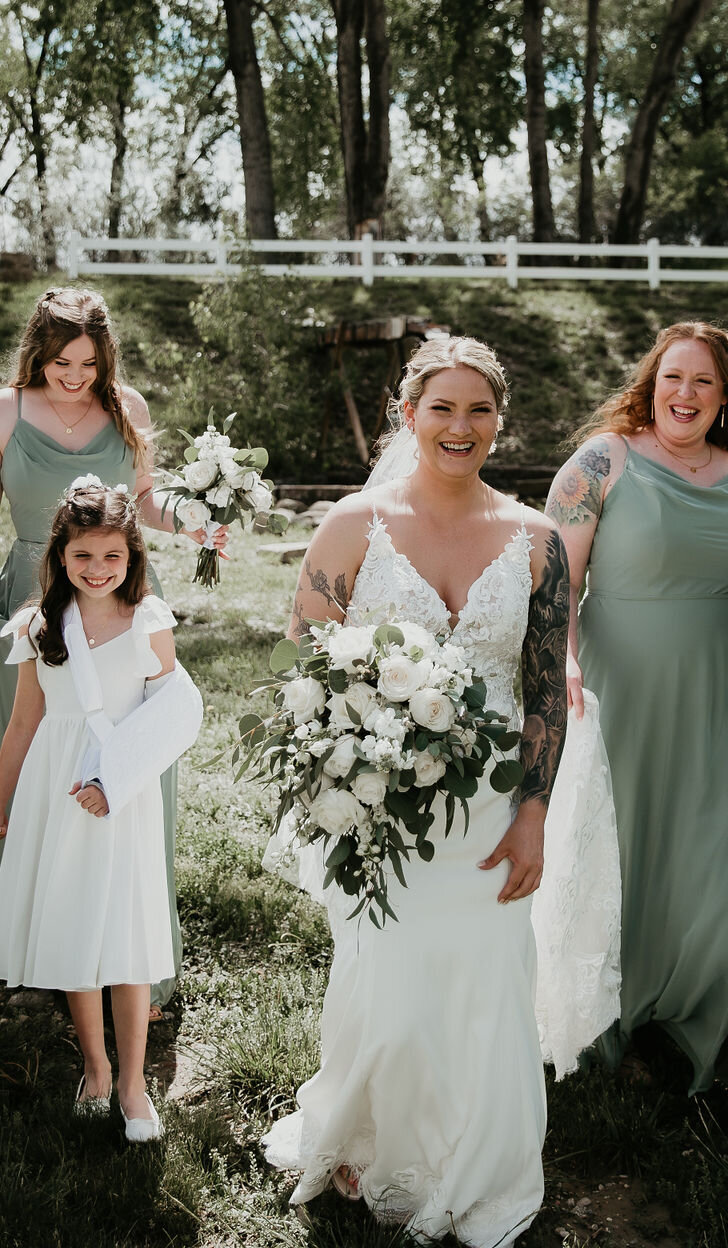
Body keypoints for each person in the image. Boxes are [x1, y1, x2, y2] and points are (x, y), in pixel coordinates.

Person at [262, 336, 570, 1245]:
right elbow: (301, 676)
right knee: (389, 986)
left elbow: (547, 688)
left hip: (490, 810)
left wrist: (534, 814)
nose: (460, 426)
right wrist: (342, 785)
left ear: (499, 423)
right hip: (379, 811)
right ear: (409, 416)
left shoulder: (539, 542)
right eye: (443, 408)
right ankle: (372, 1136)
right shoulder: (352, 527)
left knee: (482, 985)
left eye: (479, 410)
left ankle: (473, 1160)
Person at [545, 321, 728, 1144]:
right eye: (674, 377)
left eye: (704, 383)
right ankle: (606, 1022)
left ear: (725, 396)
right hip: (617, 688)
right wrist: (563, 664)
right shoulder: (605, 459)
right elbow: (556, 576)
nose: (686, 394)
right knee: (618, 857)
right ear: (651, 381)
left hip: (723, 696)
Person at [0, 286, 222, 1013]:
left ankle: (131, 955)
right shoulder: (7, 411)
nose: (73, 376)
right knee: (36, 765)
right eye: (61, 361)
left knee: (130, 765)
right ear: (37, 351)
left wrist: (188, 519)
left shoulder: (128, 409)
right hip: (36, 600)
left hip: (123, 604)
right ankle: (39, 959)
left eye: (87, 364)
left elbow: (145, 499)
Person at [0, 480, 202, 1139]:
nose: (97, 570)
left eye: (110, 557)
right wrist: (2, 804)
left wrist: (114, 780)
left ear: (131, 556)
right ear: (61, 556)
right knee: (75, 924)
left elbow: (174, 714)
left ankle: (136, 1082)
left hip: (124, 795)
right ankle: (94, 1067)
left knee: (126, 932)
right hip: (55, 791)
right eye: (83, 556)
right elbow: (24, 724)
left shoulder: (149, 621)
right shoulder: (37, 628)